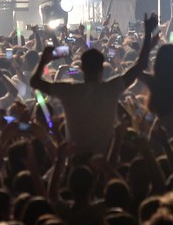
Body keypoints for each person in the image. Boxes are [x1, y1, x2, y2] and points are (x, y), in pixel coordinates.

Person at [30, 13, 156, 159]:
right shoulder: (111, 89)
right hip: (104, 160)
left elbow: (35, 82)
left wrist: (44, 60)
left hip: (76, 161)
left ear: (82, 68)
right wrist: (148, 33)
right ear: (102, 68)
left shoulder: (69, 91)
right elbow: (141, 65)